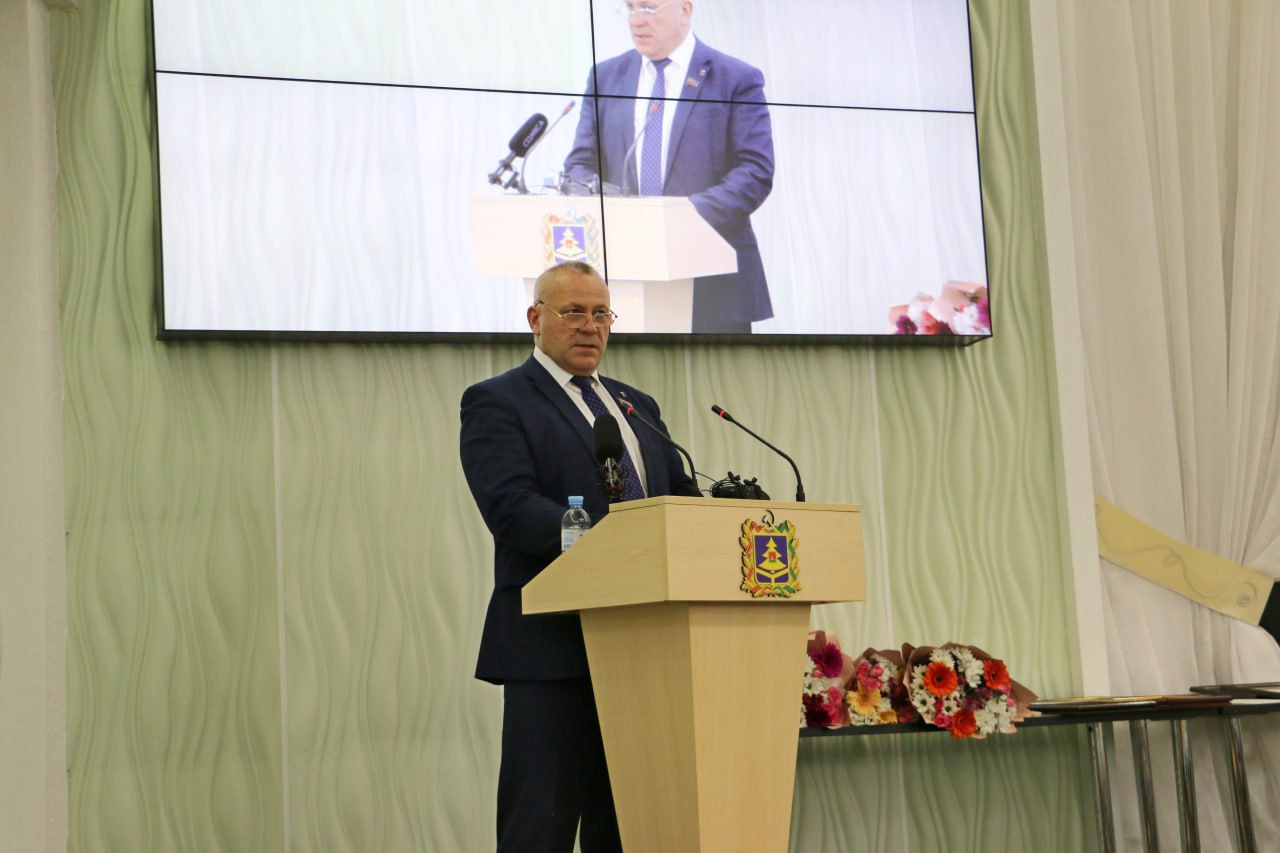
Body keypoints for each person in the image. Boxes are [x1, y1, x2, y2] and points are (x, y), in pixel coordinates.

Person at [459, 261, 699, 851]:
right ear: (535, 318)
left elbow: (677, 498)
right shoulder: (498, 401)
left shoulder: (636, 405)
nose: (590, 326)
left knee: (629, 828)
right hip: (554, 649)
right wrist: (611, 544)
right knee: (539, 828)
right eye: (573, 312)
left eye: (601, 314)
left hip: (646, 648)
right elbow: (512, 508)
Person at [563, 1, 775, 334]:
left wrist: (682, 216)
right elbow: (580, 164)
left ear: (685, 10)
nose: (636, 21)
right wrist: (611, 208)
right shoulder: (606, 77)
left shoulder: (735, 77)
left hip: (712, 278)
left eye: (648, 8)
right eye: (630, 8)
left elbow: (755, 170)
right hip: (625, 275)